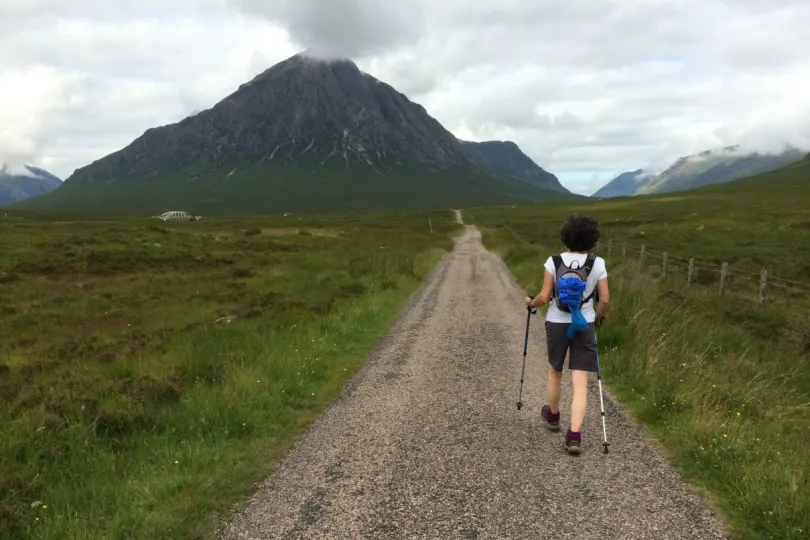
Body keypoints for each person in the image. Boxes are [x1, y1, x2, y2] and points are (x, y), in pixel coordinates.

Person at [524, 214, 609, 455]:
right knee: (580, 382)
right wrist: (598, 317)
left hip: (557, 322)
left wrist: (530, 303)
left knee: (555, 370)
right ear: (592, 239)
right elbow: (604, 300)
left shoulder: (553, 262)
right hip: (585, 325)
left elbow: (543, 297)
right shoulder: (598, 263)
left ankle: (553, 416)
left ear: (565, 236)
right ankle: (574, 436)